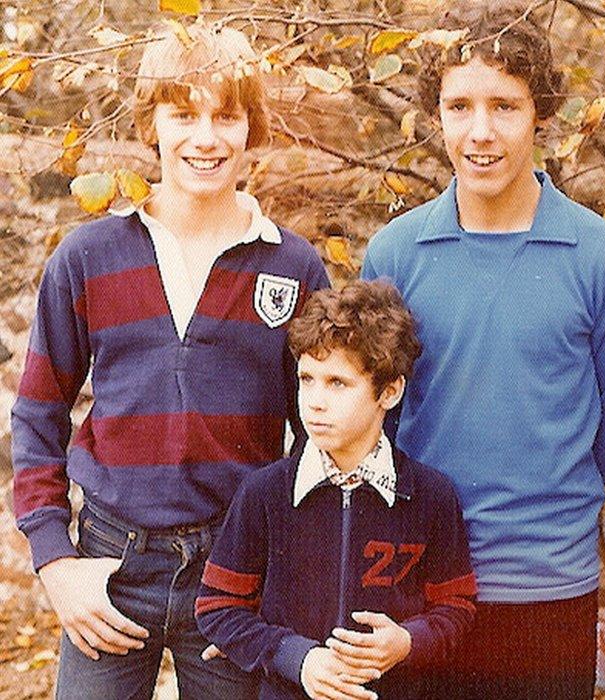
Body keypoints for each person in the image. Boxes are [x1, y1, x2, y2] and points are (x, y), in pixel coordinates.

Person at [10, 23, 329, 699]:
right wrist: (54, 561)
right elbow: (39, 413)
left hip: (237, 569)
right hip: (108, 564)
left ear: (253, 129)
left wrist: (289, 571)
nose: (206, 138)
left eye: (226, 117)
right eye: (183, 115)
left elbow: (320, 435)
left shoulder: (292, 265)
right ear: (150, 124)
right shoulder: (90, 256)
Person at [361, 4, 605, 697]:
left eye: (505, 107)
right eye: (459, 106)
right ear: (435, 115)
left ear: (541, 115)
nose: (481, 131)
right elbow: (375, 419)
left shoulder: (600, 257)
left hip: (548, 587)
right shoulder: (396, 255)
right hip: (418, 586)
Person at [195, 280, 476, 700]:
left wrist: (407, 642)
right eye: (307, 379)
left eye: (337, 383)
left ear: (390, 391)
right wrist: (297, 658)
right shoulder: (266, 493)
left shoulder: (431, 497)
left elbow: (457, 608)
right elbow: (218, 607)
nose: (314, 401)